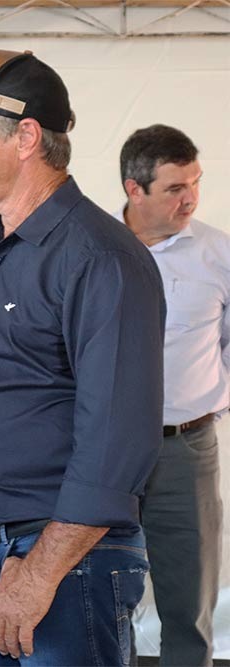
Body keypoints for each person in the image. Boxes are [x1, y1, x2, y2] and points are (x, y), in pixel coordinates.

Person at [0, 48, 165, 665]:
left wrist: (39, 573)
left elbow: (115, 443)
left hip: (59, 567)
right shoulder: (7, 248)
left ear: (24, 137)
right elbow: (7, 397)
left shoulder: (99, 257)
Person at [116, 124, 228, 666]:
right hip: (102, 449)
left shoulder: (216, 252)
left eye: (195, 184)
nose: (190, 199)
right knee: (97, 594)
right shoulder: (94, 248)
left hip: (186, 449)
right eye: (174, 189)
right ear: (134, 190)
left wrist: (210, 397)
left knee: (188, 603)